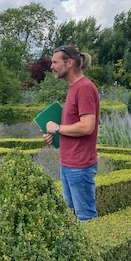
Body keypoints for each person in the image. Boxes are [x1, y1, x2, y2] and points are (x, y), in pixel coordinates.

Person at [43, 45, 100, 222]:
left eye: (55, 62)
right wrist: (55, 135)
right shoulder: (74, 88)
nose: (51, 66)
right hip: (68, 164)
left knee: (85, 218)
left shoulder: (84, 88)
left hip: (80, 166)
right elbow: (73, 125)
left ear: (69, 63)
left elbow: (87, 127)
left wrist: (57, 128)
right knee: (70, 217)